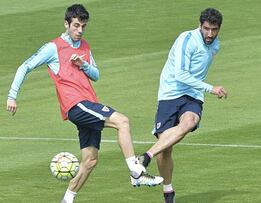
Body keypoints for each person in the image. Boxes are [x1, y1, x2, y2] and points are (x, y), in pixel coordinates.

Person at [5, 4, 163, 203]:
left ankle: (67, 199)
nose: (79, 31)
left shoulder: (85, 46)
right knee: (122, 122)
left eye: (83, 26)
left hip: (88, 102)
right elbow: (25, 66)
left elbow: (95, 75)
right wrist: (12, 96)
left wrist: (83, 64)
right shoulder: (53, 47)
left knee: (90, 161)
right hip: (75, 105)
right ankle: (136, 172)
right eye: (76, 26)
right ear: (66, 24)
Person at [137, 8, 227, 203]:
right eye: (206, 29)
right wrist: (211, 88)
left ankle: (145, 158)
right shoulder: (186, 40)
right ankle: (167, 191)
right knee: (166, 148)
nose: (210, 34)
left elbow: (197, 74)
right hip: (170, 94)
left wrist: (202, 90)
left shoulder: (215, 45)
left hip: (192, 95)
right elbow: (181, 75)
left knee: (189, 122)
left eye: (214, 29)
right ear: (200, 25)